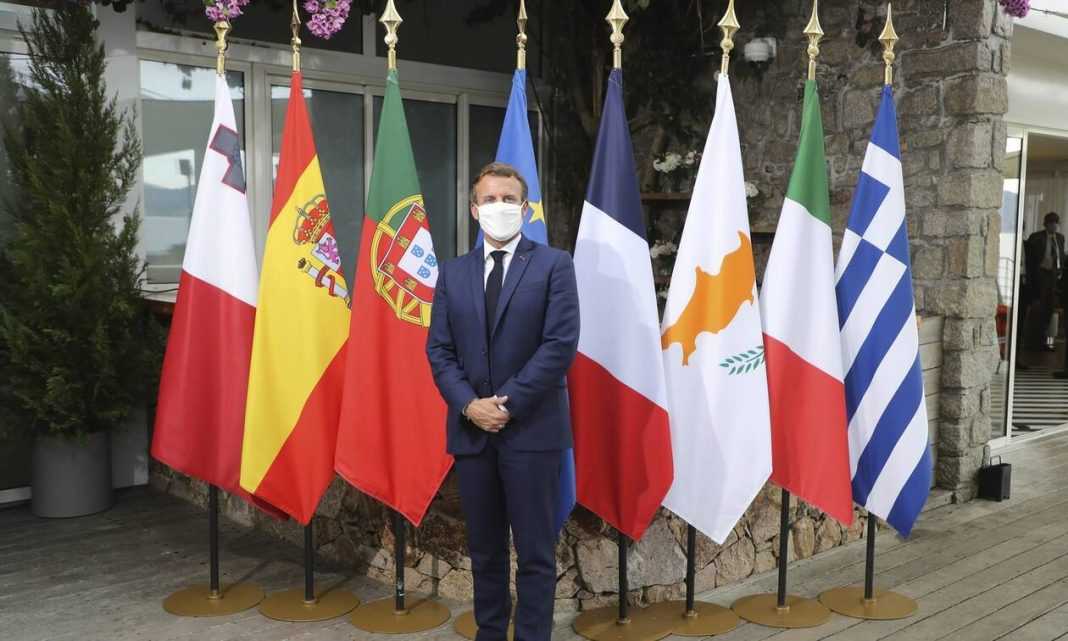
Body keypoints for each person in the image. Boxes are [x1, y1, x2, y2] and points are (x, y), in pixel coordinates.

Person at [426, 162, 579, 641]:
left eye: (509, 199)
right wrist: (470, 405)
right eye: (489, 199)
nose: (499, 207)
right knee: (485, 551)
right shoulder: (452, 273)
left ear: (525, 208)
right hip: (473, 434)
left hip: (532, 431)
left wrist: (506, 405)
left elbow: (559, 345)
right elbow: (439, 350)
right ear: (474, 210)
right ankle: (490, 632)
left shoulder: (554, 264)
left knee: (535, 553)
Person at [1023, 212, 1065, 352]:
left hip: (1053, 277)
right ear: (1046, 224)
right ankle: (1033, 341)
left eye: (1056, 223)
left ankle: (1045, 340)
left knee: (1049, 308)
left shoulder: (1060, 238)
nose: (1054, 226)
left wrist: (1060, 271)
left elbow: (1060, 256)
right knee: (1038, 309)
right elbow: (1030, 260)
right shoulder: (1036, 237)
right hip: (1040, 275)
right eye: (1052, 223)